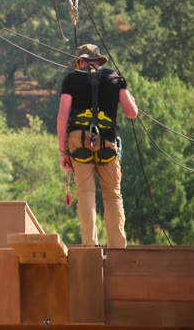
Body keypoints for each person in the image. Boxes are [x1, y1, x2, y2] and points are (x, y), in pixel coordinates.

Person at [57, 44, 138, 249]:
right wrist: (131, 99)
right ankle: (118, 247)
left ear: (80, 61)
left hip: (78, 139)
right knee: (112, 194)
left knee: (85, 192)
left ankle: (90, 247)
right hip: (106, 140)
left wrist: (63, 152)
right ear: (98, 60)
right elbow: (131, 113)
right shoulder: (115, 78)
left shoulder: (71, 79)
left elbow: (62, 116)